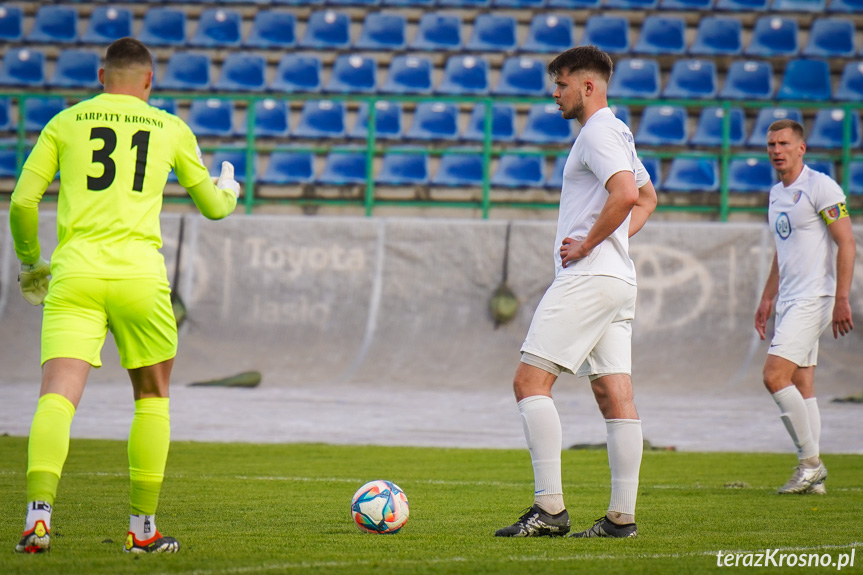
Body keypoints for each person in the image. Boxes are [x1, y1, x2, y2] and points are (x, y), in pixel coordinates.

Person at [11, 37, 240, 554]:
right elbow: (213, 208)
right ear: (149, 81)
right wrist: (231, 187)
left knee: (57, 397)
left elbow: (23, 202)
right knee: (152, 399)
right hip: (140, 277)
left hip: (76, 275)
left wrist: (31, 263)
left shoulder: (65, 123)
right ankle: (142, 532)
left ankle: (37, 517)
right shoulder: (171, 128)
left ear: (100, 77)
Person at [495, 46, 657, 539]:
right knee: (614, 395)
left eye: (561, 83)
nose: (555, 93)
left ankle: (549, 510)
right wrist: (611, 243)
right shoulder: (618, 130)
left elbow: (627, 195)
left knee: (529, 383)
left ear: (588, 86)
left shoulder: (599, 131)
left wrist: (590, 242)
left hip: (588, 278)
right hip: (616, 280)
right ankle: (619, 519)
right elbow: (647, 196)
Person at [755, 119, 855, 495]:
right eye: (771, 145)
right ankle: (815, 483)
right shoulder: (776, 193)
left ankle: (810, 464)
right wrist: (768, 298)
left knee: (773, 376)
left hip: (816, 297)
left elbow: (846, 243)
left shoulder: (821, 187)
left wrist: (842, 298)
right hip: (791, 299)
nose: (776, 150)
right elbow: (783, 253)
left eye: (783, 143)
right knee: (802, 382)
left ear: (801, 148)